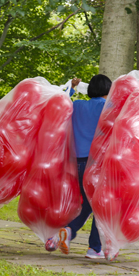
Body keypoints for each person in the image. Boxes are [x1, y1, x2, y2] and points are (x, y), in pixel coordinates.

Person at [45, 74, 112, 259]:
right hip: (97, 164)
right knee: (100, 205)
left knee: (87, 205)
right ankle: (94, 248)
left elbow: (61, 102)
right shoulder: (107, 107)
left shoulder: (77, 105)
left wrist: (72, 88)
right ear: (108, 91)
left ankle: (68, 231)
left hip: (76, 164)